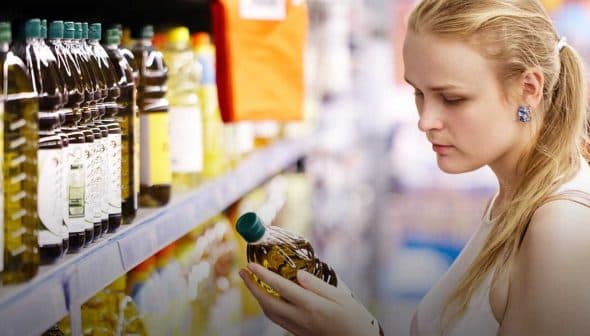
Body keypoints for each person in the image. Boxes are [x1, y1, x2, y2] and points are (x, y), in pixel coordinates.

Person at [239, 0, 590, 335]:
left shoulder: (561, 228)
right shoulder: (516, 196)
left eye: (452, 98)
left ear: (528, 88)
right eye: (418, 93)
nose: (425, 121)